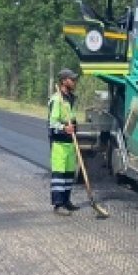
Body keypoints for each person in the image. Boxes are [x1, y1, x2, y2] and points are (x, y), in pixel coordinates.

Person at [48, 68, 81, 215]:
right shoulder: (56, 100)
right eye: (71, 79)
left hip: (70, 142)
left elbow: (72, 118)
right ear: (63, 81)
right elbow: (52, 122)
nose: (74, 82)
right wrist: (64, 128)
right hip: (59, 143)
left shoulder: (71, 99)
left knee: (69, 174)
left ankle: (66, 201)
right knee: (59, 175)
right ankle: (58, 204)